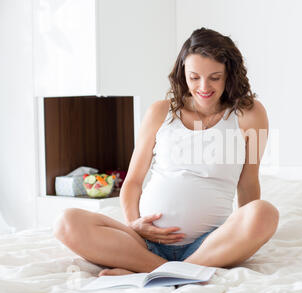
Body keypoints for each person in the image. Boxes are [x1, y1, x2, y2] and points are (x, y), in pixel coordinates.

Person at [53, 27, 279, 276]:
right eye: (194, 77)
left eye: (215, 77)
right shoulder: (160, 112)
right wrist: (134, 224)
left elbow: (248, 183)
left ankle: (154, 271)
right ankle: (175, 272)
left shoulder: (250, 114)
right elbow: (133, 181)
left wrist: (243, 231)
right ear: (183, 74)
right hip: (145, 244)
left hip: (208, 244)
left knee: (264, 214)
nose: (204, 86)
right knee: (66, 222)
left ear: (229, 75)